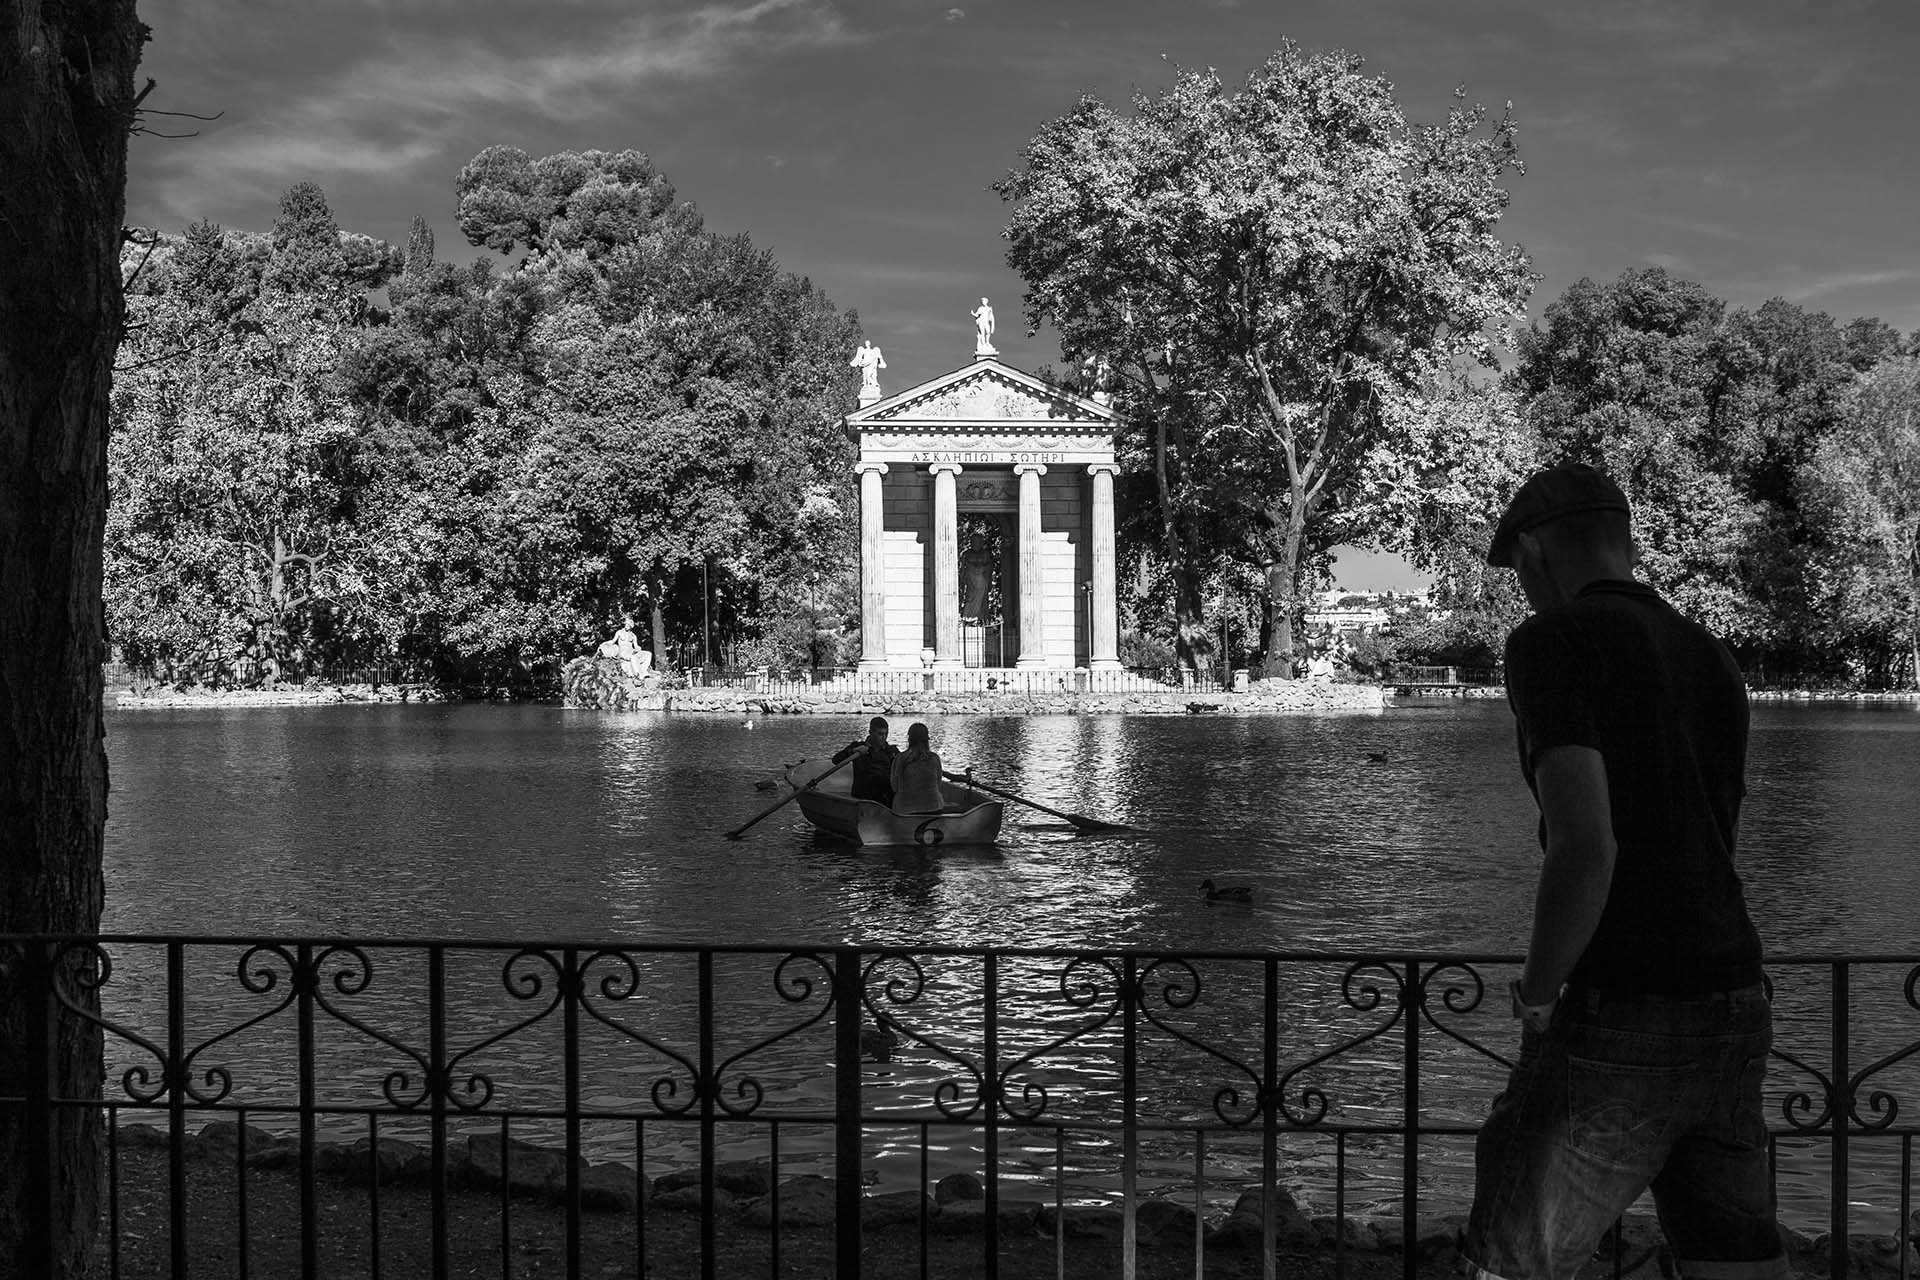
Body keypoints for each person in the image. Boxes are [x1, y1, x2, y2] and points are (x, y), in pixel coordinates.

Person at [1465, 463, 1784, 1280]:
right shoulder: (1708, 652)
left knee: (1516, 1259)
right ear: (1626, 543)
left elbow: (1586, 845)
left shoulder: (1553, 641)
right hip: (1734, 999)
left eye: (1517, 570)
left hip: (1626, 1004)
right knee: (1733, 1260)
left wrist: (1539, 995)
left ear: (1534, 551)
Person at [831, 716, 898, 806]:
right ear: (871, 733)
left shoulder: (892, 751)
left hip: (885, 794)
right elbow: (836, 760)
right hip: (863, 793)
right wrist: (853, 751)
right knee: (878, 780)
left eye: (886, 734)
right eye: (880, 734)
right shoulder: (857, 747)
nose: (884, 737)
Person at [889, 722, 946, 814]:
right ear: (927, 739)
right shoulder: (934, 758)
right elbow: (938, 784)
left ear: (909, 739)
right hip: (934, 808)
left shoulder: (900, 758)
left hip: (905, 810)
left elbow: (894, 786)